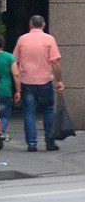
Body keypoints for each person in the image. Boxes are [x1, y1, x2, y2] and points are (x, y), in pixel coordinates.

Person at [13, 15, 64, 151]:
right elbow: (54, 61)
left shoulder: (22, 39)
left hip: (27, 81)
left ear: (30, 25)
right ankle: (50, 141)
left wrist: (17, 82)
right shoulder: (49, 39)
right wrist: (59, 80)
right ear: (44, 25)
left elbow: (15, 61)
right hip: (45, 80)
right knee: (48, 110)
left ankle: (32, 144)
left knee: (29, 113)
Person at [0, 34, 20, 149]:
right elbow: (16, 74)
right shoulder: (9, 57)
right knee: (4, 115)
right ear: (2, 44)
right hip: (5, 90)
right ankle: (0, 132)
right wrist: (18, 90)